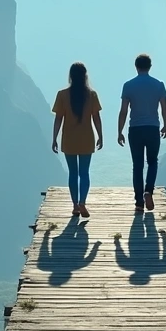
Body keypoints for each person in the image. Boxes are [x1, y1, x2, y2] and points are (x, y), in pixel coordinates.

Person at [117, 53, 166, 213]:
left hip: (135, 129)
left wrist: (120, 131)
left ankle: (139, 202)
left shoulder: (128, 85)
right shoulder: (159, 85)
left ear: (136, 67)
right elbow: (165, 108)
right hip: (153, 128)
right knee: (152, 162)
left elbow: (124, 111)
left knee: (137, 166)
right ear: (150, 67)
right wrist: (165, 125)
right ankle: (149, 191)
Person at [52, 61, 103, 217]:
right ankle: (82, 202)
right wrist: (100, 136)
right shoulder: (92, 95)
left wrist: (54, 138)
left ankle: (74, 205)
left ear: (71, 76)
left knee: (73, 173)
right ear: (85, 76)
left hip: (69, 139)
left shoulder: (62, 95)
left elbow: (59, 119)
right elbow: (96, 118)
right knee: (84, 173)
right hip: (87, 138)